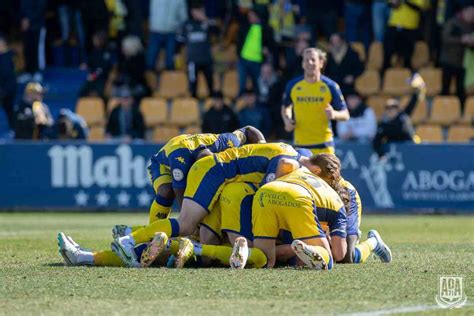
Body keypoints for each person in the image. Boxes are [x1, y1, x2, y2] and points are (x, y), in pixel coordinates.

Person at [112, 143, 301, 267]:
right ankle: (129, 240)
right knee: (186, 225)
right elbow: (264, 195)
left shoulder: (286, 153)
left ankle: (138, 236)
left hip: (219, 177)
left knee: (206, 246)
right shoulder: (287, 162)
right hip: (214, 173)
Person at [111, 127, 266, 237]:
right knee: (166, 192)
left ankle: (130, 232)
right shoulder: (181, 161)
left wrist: (261, 144)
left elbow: (248, 130)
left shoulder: (228, 142)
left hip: (190, 148)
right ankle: (149, 234)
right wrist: (191, 224)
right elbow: (182, 196)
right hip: (162, 163)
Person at [281, 47, 350, 155]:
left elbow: (345, 115)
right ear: (302, 64)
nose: (309, 62)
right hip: (300, 147)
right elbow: (286, 107)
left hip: (324, 146)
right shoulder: (293, 85)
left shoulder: (330, 86)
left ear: (321, 63)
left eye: (313, 59)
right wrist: (287, 120)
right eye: (306, 60)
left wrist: (334, 114)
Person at [373, 73, 426, 158]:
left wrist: (419, 88)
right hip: (395, 155)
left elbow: (413, 101)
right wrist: (381, 154)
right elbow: (376, 141)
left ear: (397, 109)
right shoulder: (384, 125)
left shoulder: (403, 116)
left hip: (410, 151)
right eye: (388, 108)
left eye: (394, 108)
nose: (391, 110)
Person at [440, 6, 474, 107]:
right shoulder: (453, 23)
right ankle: (442, 108)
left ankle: (460, 111)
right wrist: (461, 40)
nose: (472, 16)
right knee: (445, 88)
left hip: (462, 63)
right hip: (448, 61)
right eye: (471, 13)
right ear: (464, 12)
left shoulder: (472, 26)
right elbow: (445, 39)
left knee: (460, 90)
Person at [383, 0, 429, 71]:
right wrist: (394, 3)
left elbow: (420, 7)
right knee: (387, 53)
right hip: (394, 24)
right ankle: (384, 78)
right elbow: (390, 4)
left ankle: (407, 78)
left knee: (407, 58)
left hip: (410, 27)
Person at [237, 10, 274, 95]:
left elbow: (270, 44)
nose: (250, 18)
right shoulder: (245, 27)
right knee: (242, 84)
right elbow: (239, 41)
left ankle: (257, 101)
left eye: (252, 16)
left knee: (257, 84)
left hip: (257, 61)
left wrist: (266, 50)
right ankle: (241, 102)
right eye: (249, 16)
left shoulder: (266, 28)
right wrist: (238, 54)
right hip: (243, 60)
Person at [181, 3, 214, 98]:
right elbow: (180, 41)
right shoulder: (186, 24)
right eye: (197, 11)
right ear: (192, 12)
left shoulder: (207, 23)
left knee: (210, 84)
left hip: (206, 59)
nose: (200, 13)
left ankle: (210, 103)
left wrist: (206, 20)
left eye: (201, 11)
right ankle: (193, 106)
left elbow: (218, 33)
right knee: (193, 85)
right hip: (193, 60)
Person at [146, 0, 187, 70]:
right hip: (156, 31)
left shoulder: (180, 1)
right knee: (150, 61)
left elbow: (183, 17)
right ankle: (150, 79)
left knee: (170, 62)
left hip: (171, 33)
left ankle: (170, 79)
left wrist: (175, 26)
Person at [79, 31, 115, 98]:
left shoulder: (107, 53)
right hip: (92, 78)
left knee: (99, 93)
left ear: (101, 40)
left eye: (95, 40)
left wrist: (94, 75)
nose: (94, 41)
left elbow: (103, 68)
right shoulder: (95, 51)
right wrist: (86, 65)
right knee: (82, 93)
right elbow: (90, 61)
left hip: (102, 79)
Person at [19, 0, 47, 83]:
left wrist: (29, 20)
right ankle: (28, 72)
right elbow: (19, 8)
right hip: (25, 26)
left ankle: (38, 72)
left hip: (37, 26)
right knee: (27, 49)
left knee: (37, 50)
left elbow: (41, 8)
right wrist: (21, 20)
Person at [117, 35, 149, 101]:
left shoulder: (140, 59)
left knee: (128, 92)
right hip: (125, 85)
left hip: (136, 85)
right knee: (117, 90)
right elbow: (120, 73)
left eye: (125, 47)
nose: (123, 49)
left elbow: (138, 75)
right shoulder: (123, 59)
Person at [0, 34, 16, 131]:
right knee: (8, 109)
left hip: (7, 89)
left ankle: (14, 129)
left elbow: (5, 74)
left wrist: (3, 89)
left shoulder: (6, 57)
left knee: (9, 109)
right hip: (5, 88)